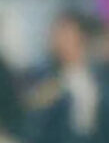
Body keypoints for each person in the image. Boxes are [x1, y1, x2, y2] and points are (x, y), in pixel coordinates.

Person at [24, 11, 102, 143]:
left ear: (82, 38)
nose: (56, 41)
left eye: (65, 34)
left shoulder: (103, 80)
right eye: (54, 34)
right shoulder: (39, 80)